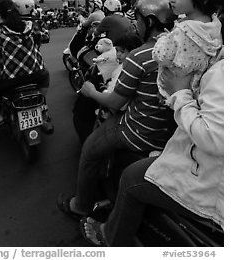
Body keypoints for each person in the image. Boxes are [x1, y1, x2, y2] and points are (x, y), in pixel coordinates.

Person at [80, 46, 224, 246]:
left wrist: (181, 94)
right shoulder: (208, 54)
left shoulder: (139, 56)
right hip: (176, 139)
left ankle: (100, 225)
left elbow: (114, 102)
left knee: (104, 159)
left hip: (144, 134)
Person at [57, 0, 176, 218]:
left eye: (139, 20)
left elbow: (115, 101)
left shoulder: (139, 55)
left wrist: (91, 92)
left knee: (90, 149)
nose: (136, 25)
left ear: (149, 21)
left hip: (141, 130)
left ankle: (80, 205)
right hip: (171, 128)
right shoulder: (183, 46)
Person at [0, 0, 53, 141]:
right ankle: (41, 107)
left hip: (9, 79)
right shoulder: (30, 25)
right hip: (37, 73)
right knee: (46, 75)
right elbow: (44, 37)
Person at [153, 0, 223, 101]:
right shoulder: (214, 25)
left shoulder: (184, 30)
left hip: (174, 89)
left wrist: (162, 40)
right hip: (197, 90)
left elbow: (161, 56)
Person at [72, 33, 142, 144]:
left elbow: (116, 101)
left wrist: (94, 92)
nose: (118, 55)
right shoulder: (125, 65)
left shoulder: (130, 68)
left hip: (116, 109)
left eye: (122, 52)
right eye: (117, 51)